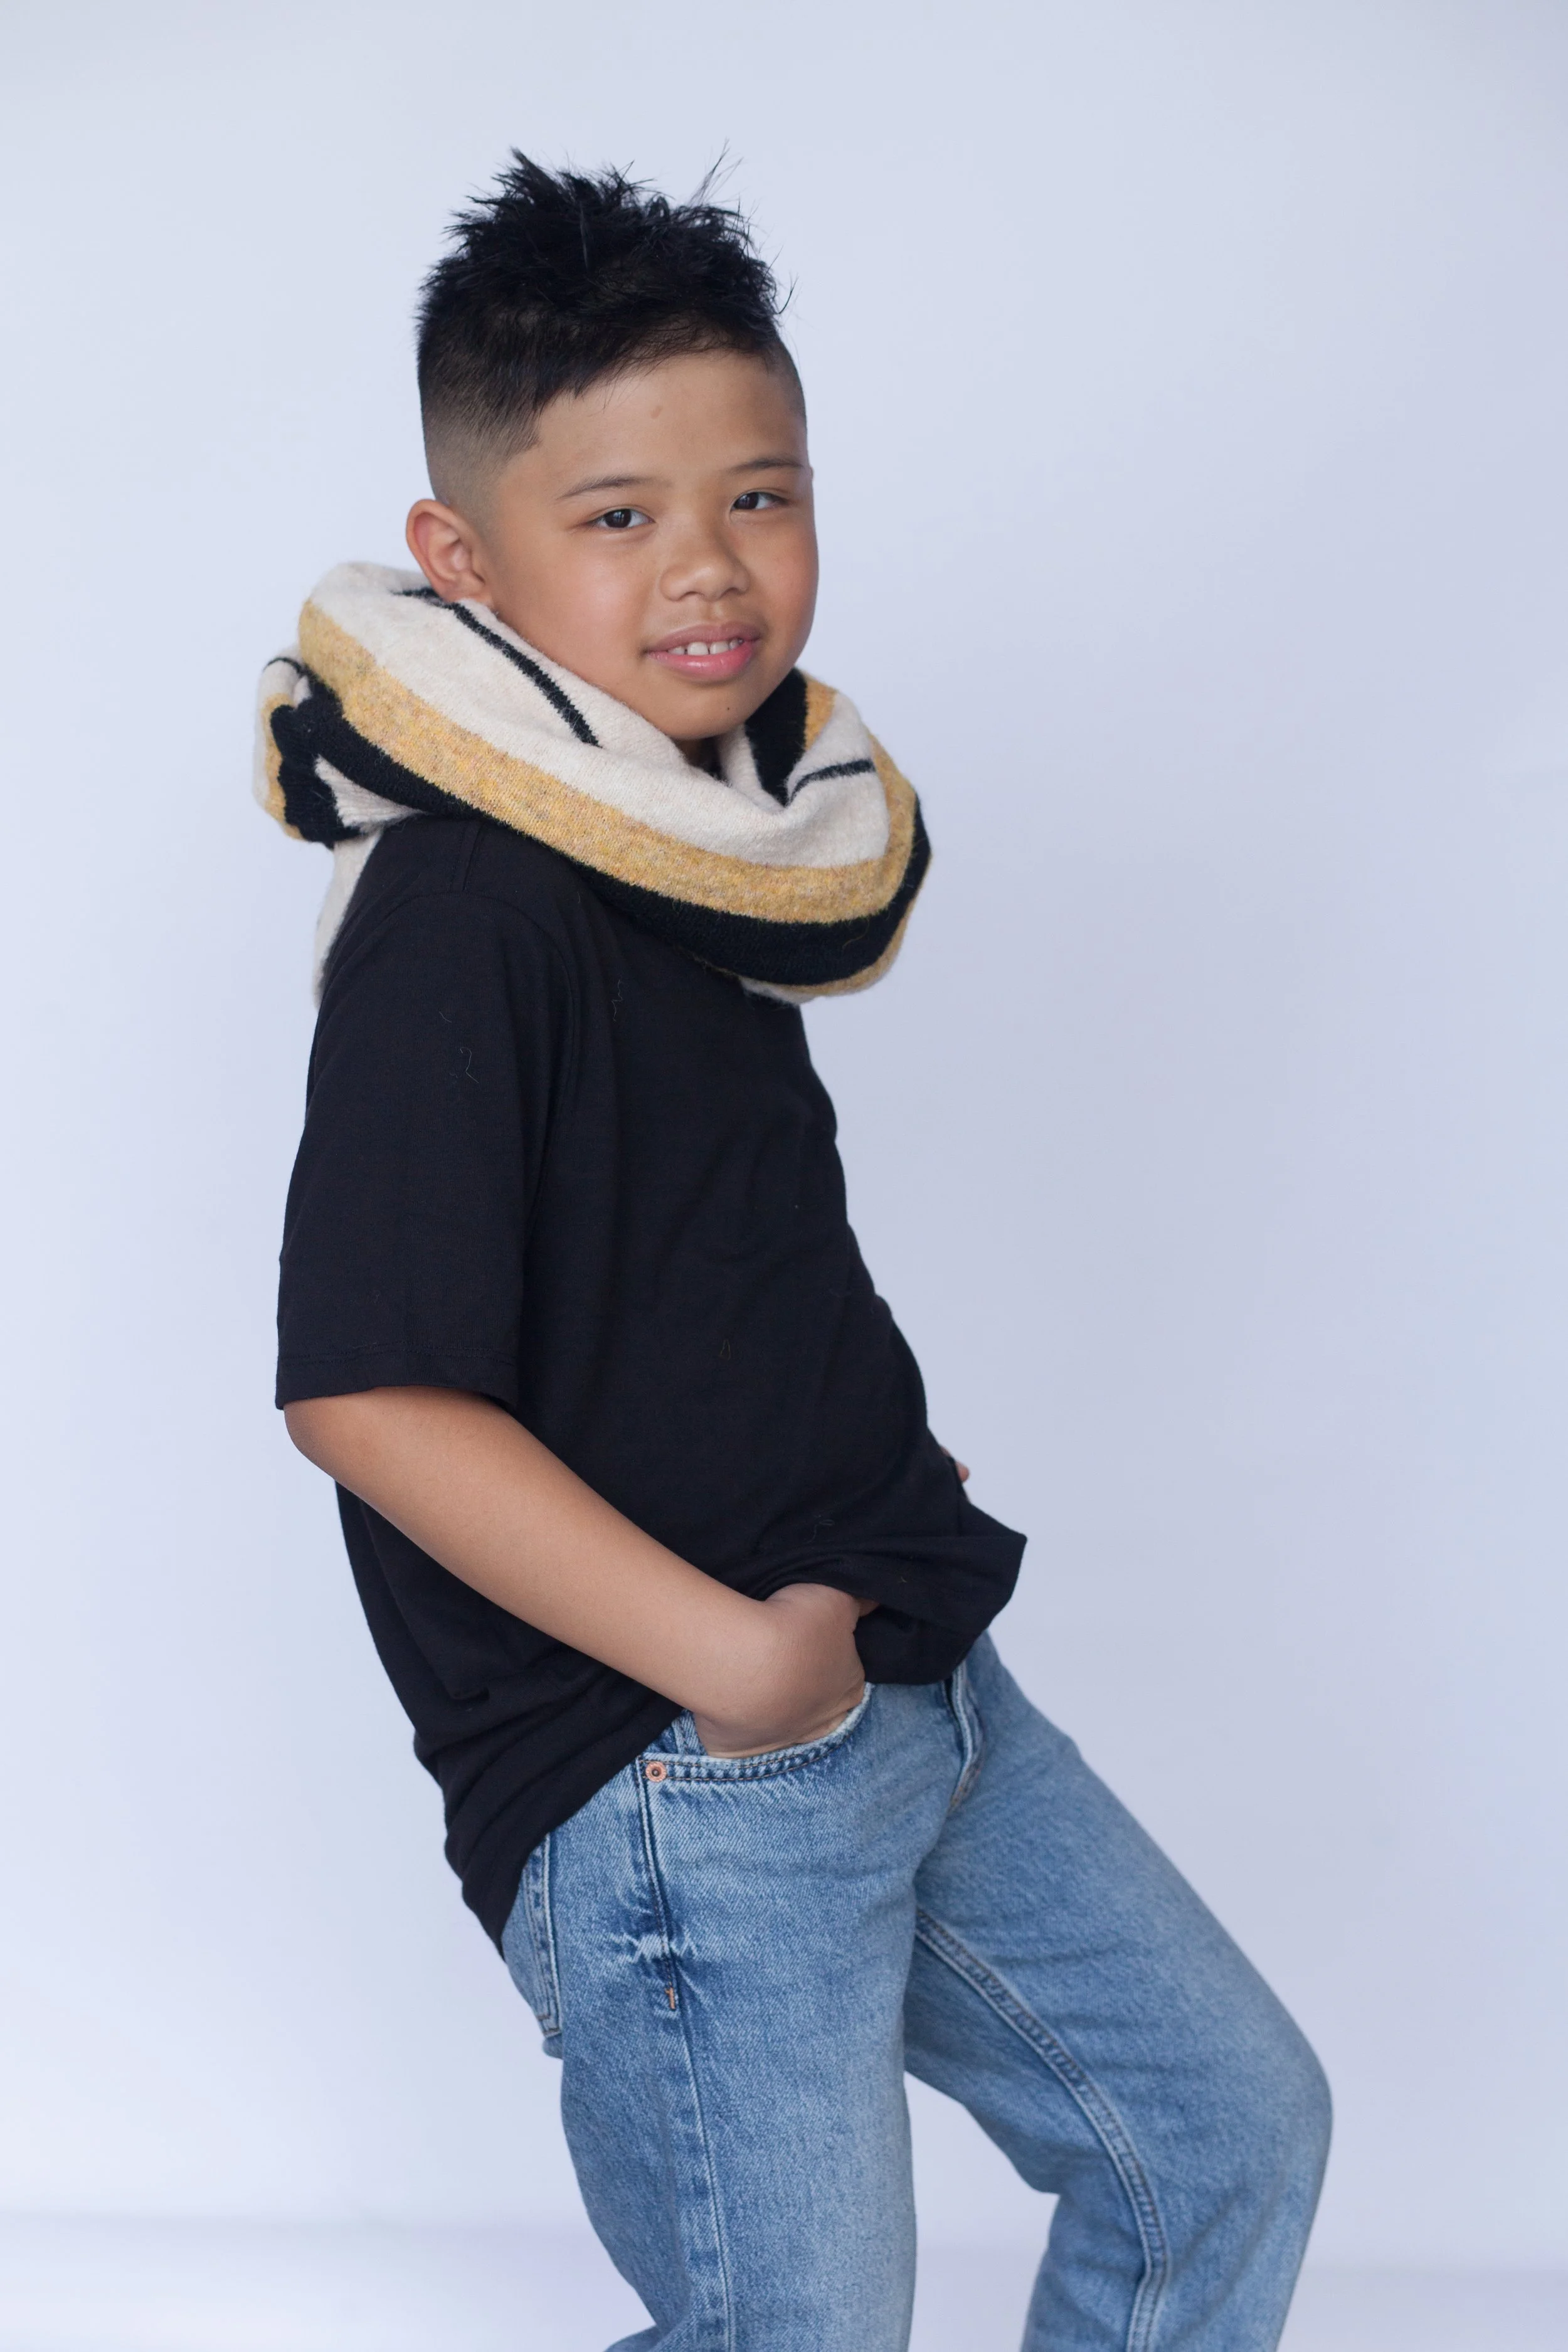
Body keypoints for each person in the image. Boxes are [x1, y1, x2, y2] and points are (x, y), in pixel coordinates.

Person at [260, 154, 1330, 2351]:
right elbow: (365, 1391)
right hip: (680, 1757)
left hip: (901, 1660)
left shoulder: (700, 848)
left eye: (761, 494)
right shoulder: (473, 903)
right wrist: (735, 1669)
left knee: (1219, 2133)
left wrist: (827, 1649)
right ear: (459, 558)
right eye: (622, 512)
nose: (710, 569)